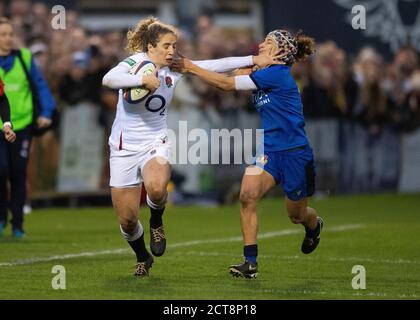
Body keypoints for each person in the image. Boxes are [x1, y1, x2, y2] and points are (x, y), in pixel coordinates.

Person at [102, 17, 280, 277]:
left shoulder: (172, 68)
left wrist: (253, 60)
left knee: (156, 187)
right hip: (123, 147)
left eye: (174, 45)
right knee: (127, 221)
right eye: (166, 45)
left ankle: (156, 222)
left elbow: (214, 65)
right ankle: (142, 256)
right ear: (150, 47)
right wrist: (141, 80)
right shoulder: (135, 63)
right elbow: (108, 79)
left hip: (155, 141)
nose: (172, 51)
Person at [173, 29, 324, 279]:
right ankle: (250, 262)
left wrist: (190, 66)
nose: (262, 45)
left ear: (281, 52)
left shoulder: (276, 74)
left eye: (269, 43)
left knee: (296, 215)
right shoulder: (262, 72)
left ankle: (313, 224)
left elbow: (226, 83)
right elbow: (229, 75)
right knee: (247, 195)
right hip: (269, 150)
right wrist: (241, 67)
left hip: (295, 153)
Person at [0, 17, 56, 238]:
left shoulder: (23, 57)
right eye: (3, 34)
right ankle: (2, 215)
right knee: (1, 170)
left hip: (21, 124)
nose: (7, 38)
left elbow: (40, 85)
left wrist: (46, 112)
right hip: (2, 126)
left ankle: (18, 224)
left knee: (18, 172)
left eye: (9, 34)